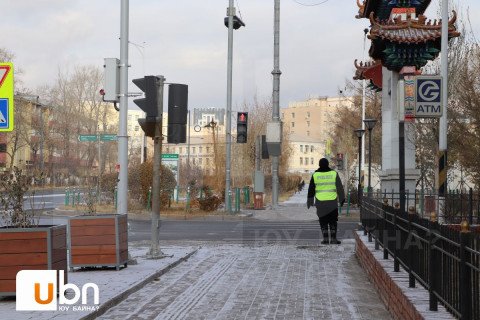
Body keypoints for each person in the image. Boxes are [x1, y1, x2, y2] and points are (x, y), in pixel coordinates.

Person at [307, 158, 345, 244]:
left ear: (319, 165)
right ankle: (334, 239)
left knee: (323, 220)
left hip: (320, 202)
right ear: (328, 164)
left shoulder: (315, 175)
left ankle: (326, 239)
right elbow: (340, 188)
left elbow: (311, 189)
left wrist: (309, 201)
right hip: (332, 201)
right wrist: (342, 199)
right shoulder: (334, 174)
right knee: (333, 220)